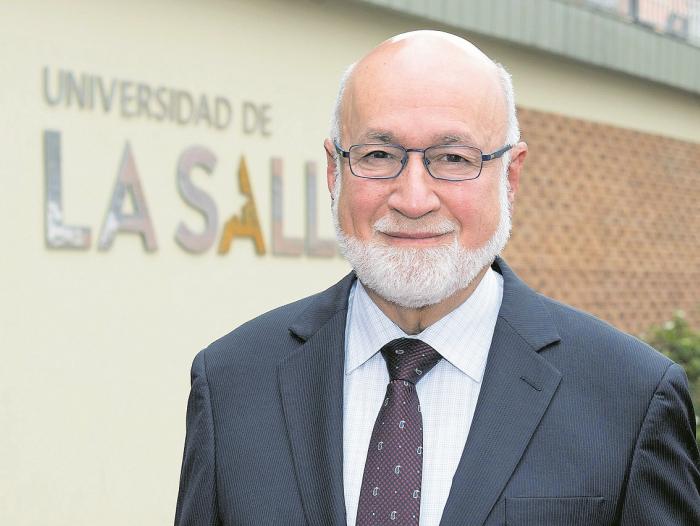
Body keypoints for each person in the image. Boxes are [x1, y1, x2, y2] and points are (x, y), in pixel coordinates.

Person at [175, 31, 700, 526]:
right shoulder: (231, 384)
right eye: (379, 155)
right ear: (335, 171)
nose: (413, 199)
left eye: (453, 158)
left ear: (509, 176)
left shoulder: (631, 400)